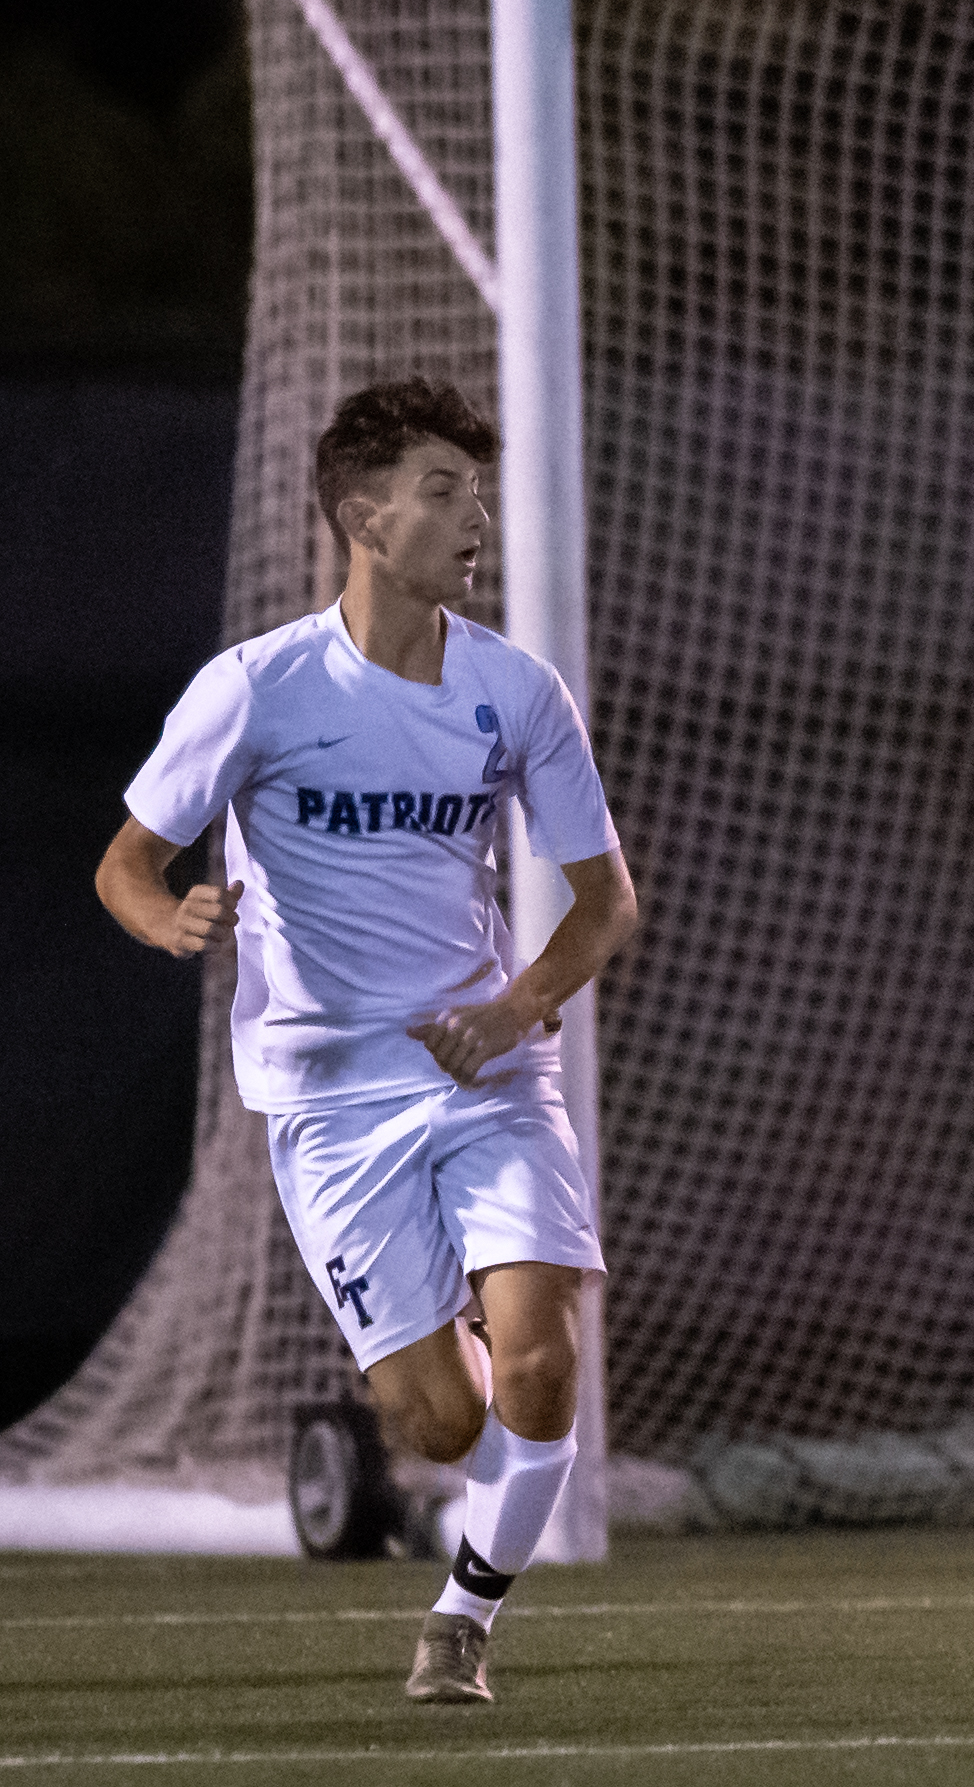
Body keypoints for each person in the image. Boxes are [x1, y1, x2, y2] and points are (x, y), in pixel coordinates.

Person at [95, 377, 638, 1706]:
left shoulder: (515, 690)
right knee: (443, 1421)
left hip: (487, 1066)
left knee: (541, 1356)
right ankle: (427, 1331)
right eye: (443, 492)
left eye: (476, 492)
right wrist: (168, 916)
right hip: (328, 1103)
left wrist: (516, 1004)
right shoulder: (257, 688)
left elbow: (607, 901)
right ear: (361, 515)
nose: (475, 520)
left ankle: (462, 1622)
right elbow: (123, 862)